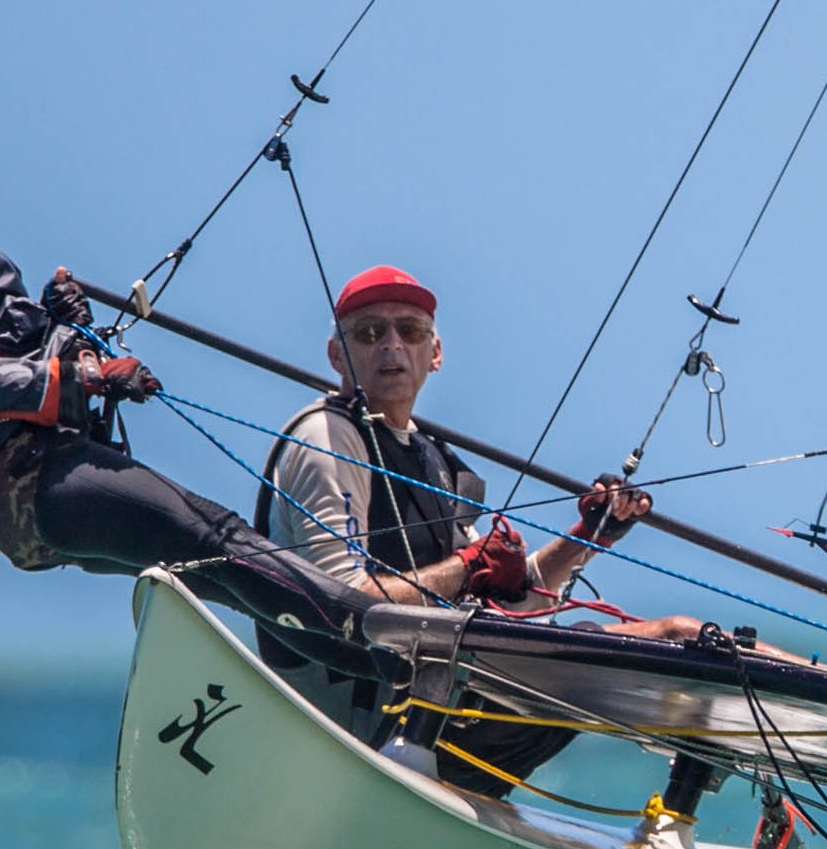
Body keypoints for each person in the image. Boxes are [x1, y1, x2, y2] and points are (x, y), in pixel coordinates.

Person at [0, 115, 399, 686]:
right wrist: (87, 377)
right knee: (220, 539)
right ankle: (404, 641)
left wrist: (64, 326)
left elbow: (26, 355)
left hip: (52, 474)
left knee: (223, 569)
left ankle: (395, 676)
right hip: (23, 484)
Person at [259, 263, 749, 795]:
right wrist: (470, 566)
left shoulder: (433, 458)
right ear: (338, 354)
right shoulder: (328, 436)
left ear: (435, 353)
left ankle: (811, 690)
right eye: (369, 332)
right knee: (664, 637)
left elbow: (512, 601)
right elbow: (343, 603)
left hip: (433, 706)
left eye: (410, 330)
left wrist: (591, 534)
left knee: (679, 641)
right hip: (349, 726)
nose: (391, 345)